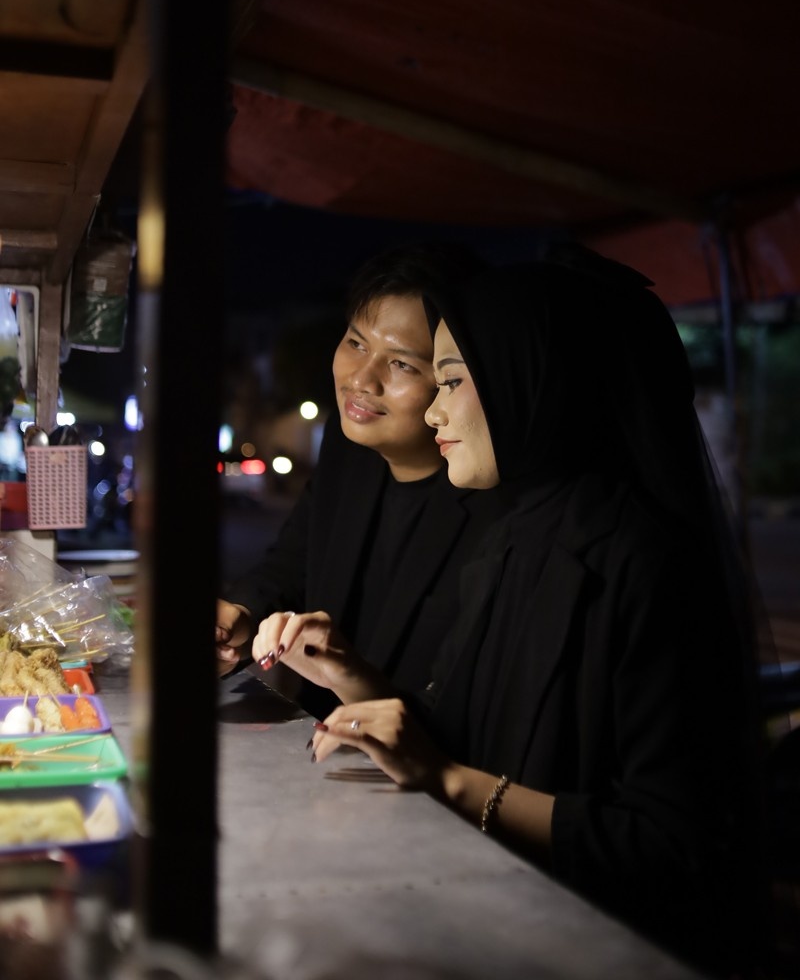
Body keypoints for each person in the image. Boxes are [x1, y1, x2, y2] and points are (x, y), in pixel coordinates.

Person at [256, 246, 771, 978]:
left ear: (534, 382)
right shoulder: (517, 537)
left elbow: (673, 842)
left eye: (450, 381)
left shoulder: (640, 562)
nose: (435, 409)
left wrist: (448, 782)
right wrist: (350, 679)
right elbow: (471, 734)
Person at [215, 240, 505, 719]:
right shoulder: (350, 450)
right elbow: (290, 566)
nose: (361, 381)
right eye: (356, 343)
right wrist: (239, 617)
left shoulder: (497, 508)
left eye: (402, 363)